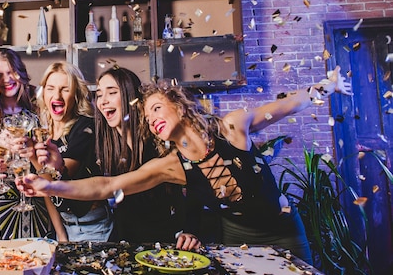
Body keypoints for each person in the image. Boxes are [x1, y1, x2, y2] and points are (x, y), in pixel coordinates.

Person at [20, 66, 352, 263]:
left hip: (284, 230)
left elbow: (287, 105)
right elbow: (107, 185)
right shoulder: (173, 164)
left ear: (178, 105)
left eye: (157, 109)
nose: (150, 119)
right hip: (236, 237)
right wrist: (50, 185)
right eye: (146, 114)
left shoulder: (233, 127)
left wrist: (326, 86)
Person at [38, 66, 198, 247]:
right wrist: (59, 170)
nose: (103, 101)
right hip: (126, 242)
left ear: (131, 97)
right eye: (99, 95)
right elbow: (86, 197)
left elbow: (193, 183)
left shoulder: (158, 136)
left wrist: (190, 228)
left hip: (169, 242)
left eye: (112, 93)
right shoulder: (102, 144)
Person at [35, 62, 113, 242]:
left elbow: (59, 175)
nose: (57, 95)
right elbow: (48, 191)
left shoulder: (86, 127)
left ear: (76, 94)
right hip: (64, 226)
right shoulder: (44, 130)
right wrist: (61, 234)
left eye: (65, 89)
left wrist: (31, 154)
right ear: (43, 93)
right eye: (51, 88)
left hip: (93, 227)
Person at [0, 48, 53, 240]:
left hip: (36, 197)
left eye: (11, 72)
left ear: (20, 72)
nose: (7, 79)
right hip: (0, 199)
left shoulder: (38, 108)